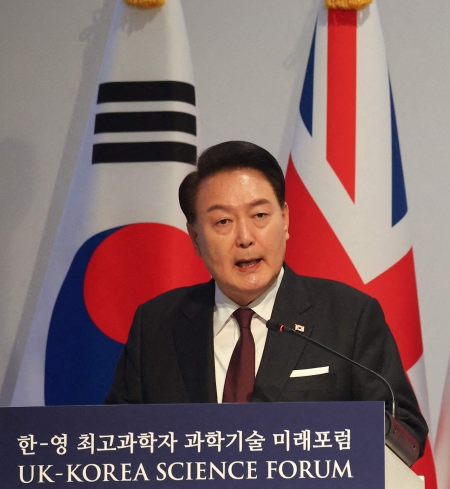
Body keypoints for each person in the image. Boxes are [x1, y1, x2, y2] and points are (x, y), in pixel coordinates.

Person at [105, 140, 427, 455]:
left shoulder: (349, 317)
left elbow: (405, 434)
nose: (245, 238)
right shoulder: (157, 326)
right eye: (222, 222)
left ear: (285, 219)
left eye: (259, 216)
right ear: (195, 238)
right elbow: (113, 443)